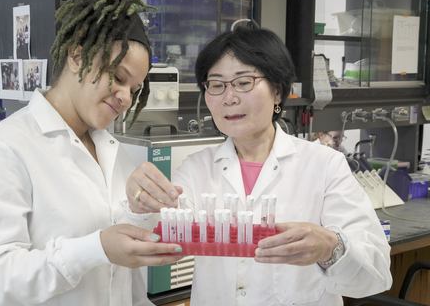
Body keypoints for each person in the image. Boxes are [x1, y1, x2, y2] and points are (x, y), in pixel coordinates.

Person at [0, 0, 184, 306]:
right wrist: (94, 249)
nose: (127, 97)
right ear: (76, 57)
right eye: (118, 76)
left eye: (135, 88)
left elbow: (123, 278)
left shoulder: (114, 153)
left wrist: (139, 213)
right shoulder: (2, 150)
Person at [126, 27, 392, 305]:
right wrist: (141, 202)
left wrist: (330, 247)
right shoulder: (196, 169)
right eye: (216, 85)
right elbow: (158, 238)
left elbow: (377, 275)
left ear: (278, 91)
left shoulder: (326, 166)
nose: (229, 98)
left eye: (243, 82)